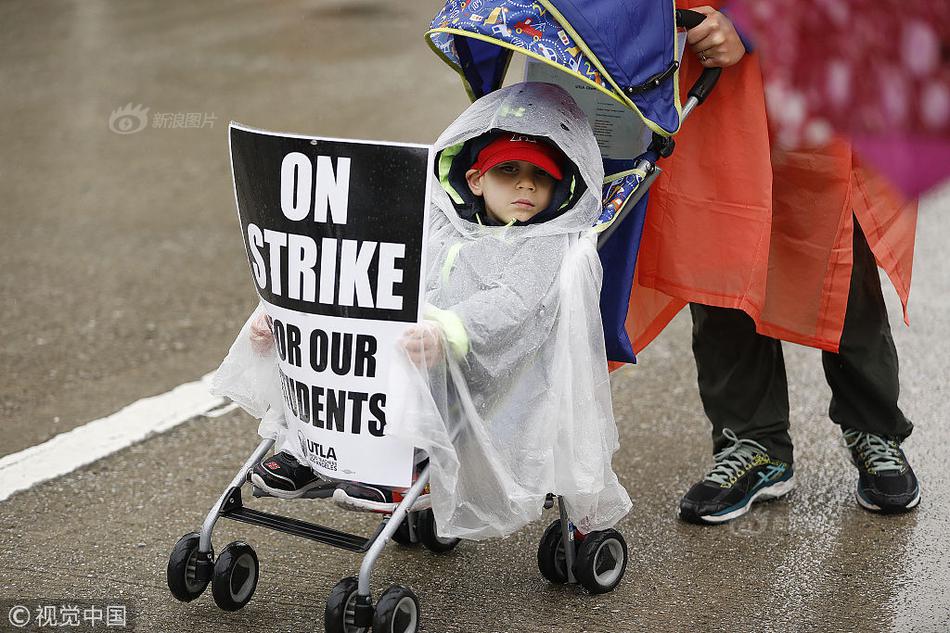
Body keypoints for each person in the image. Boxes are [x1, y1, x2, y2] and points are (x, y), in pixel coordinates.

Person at [214, 82, 631, 539]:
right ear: (475, 179)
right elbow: (380, 261)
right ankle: (308, 447)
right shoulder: (442, 222)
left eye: (541, 176)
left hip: (485, 362)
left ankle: (407, 464)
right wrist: (298, 313)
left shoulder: (543, 246)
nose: (526, 184)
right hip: (416, 339)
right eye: (508, 171)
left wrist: (449, 328)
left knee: (403, 359)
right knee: (331, 338)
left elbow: (511, 304)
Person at [623, 3, 920, 524]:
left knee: (832, 249)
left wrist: (748, 24)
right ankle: (752, 441)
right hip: (702, 70)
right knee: (718, 251)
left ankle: (874, 427)